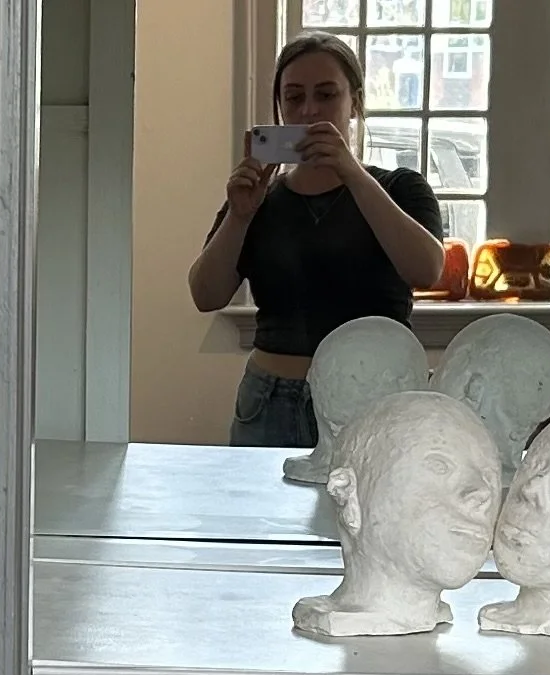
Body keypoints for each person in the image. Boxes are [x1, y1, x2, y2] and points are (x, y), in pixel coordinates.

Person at [189, 32, 446, 448]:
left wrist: (352, 173)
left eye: (326, 95)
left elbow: (426, 269)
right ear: (279, 107)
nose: (308, 110)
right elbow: (205, 295)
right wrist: (239, 215)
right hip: (270, 400)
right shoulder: (258, 200)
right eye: (293, 98)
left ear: (354, 102)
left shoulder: (400, 187)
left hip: (372, 399)